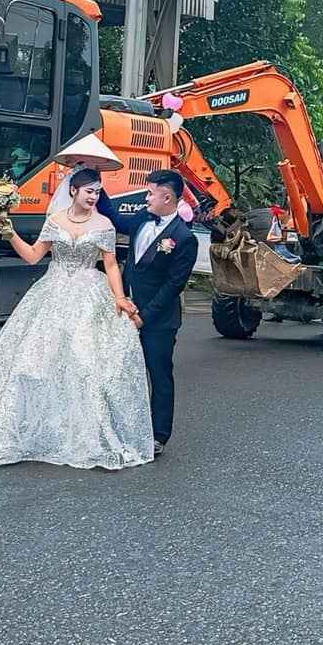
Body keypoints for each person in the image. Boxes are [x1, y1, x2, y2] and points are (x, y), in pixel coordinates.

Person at [0, 167, 152, 471]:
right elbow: (33, 256)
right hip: (53, 290)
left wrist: (119, 297)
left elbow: (111, 265)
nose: (94, 197)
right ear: (73, 191)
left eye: (98, 192)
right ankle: (27, 427)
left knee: (84, 363)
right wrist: (9, 232)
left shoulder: (104, 225)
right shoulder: (55, 221)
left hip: (88, 292)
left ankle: (81, 431)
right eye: (89, 191)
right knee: (33, 360)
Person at [122, 168, 199, 456]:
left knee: (159, 374)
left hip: (159, 319)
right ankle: (128, 428)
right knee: (126, 372)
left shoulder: (184, 238)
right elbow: (118, 223)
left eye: (150, 193)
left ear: (167, 197)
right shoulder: (142, 218)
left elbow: (172, 286)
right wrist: (95, 187)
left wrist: (144, 316)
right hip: (127, 309)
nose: (146, 198)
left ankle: (159, 435)